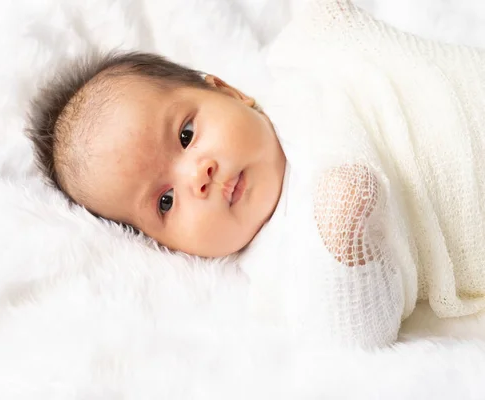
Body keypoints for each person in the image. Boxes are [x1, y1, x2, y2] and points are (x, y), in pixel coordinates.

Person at [27, 0, 485, 348]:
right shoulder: (283, 252)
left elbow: (345, 39)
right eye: (165, 201)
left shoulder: (296, 69)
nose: (198, 176)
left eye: (186, 135)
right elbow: (352, 331)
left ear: (230, 91)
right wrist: (347, 245)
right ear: (165, 246)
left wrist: (330, 18)